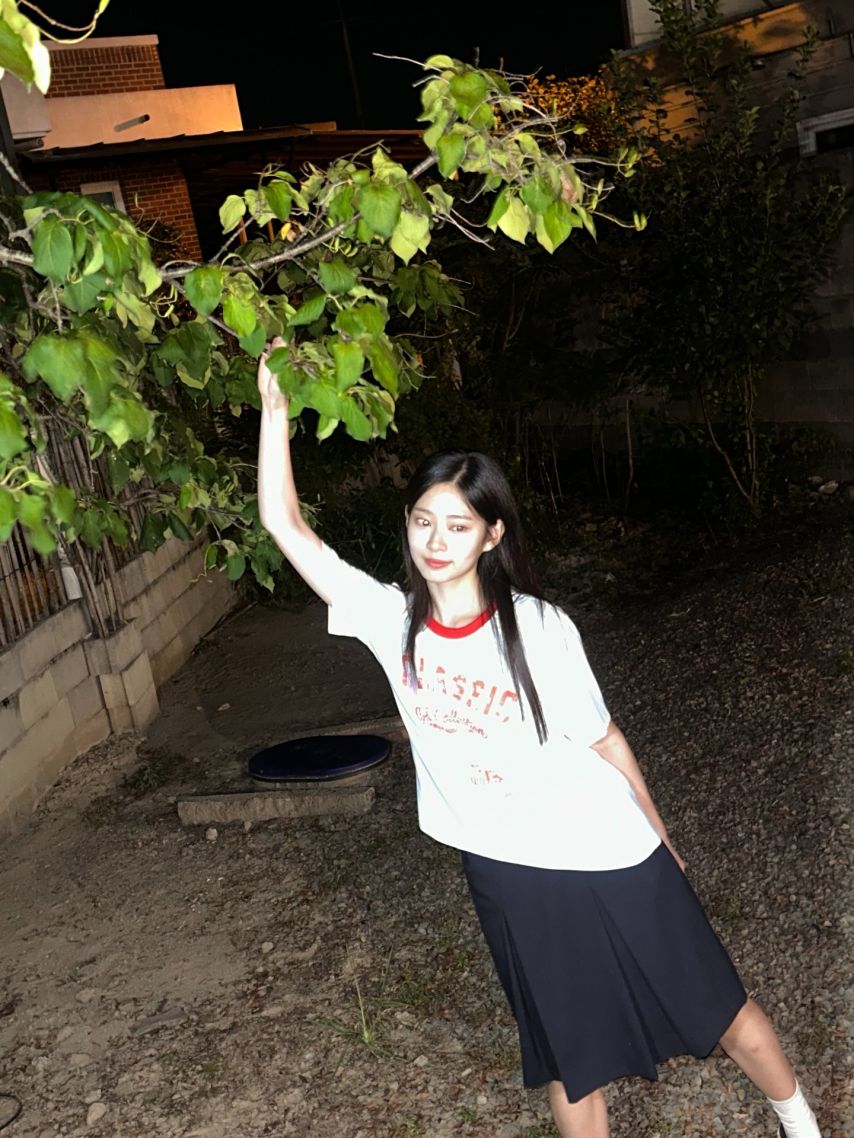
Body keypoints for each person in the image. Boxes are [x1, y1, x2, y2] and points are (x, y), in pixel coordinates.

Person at [256, 341, 822, 1138]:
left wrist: (658, 833)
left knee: (720, 1008)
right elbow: (284, 525)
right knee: (570, 1056)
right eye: (423, 521)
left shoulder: (540, 628)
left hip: (608, 847)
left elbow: (606, 740)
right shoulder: (391, 621)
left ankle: (799, 1120)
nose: (436, 540)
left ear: (491, 536)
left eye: (458, 525)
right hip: (508, 870)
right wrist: (275, 410)